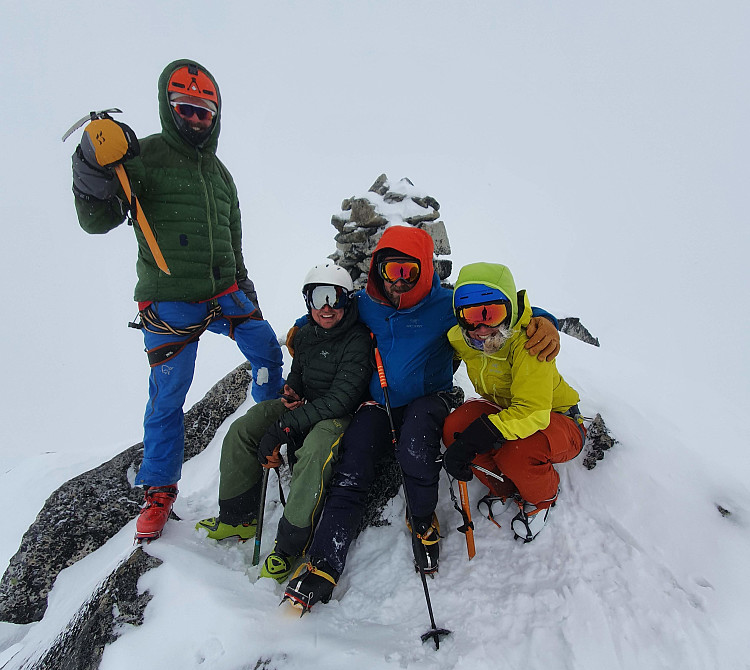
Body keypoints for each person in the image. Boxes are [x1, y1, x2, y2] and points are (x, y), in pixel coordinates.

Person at [282, 226, 561, 613]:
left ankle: (423, 520)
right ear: (378, 270)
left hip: (431, 398)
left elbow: (498, 308)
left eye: (408, 271)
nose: (398, 282)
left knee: (415, 448)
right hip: (380, 401)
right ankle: (323, 563)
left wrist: (546, 321)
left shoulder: (444, 304)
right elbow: (334, 310)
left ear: (425, 270)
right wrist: (301, 323)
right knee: (354, 461)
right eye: (390, 270)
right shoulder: (367, 304)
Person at [71, 60, 283, 541]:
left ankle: (273, 432)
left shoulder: (221, 176)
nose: (194, 120)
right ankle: (159, 492)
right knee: (168, 396)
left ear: (216, 117)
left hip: (225, 292)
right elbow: (97, 220)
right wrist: (89, 165)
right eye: (186, 109)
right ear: (170, 108)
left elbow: (233, 242)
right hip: (169, 302)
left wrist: (245, 288)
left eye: (204, 113)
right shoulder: (141, 157)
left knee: (267, 349)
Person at [196, 262, 373, 582]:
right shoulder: (305, 334)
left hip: (339, 416)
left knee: (316, 448)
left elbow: (341, 400)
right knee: (244, 427)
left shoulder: (357, 339)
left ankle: (291, 545)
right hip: (308, 406)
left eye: (336, 298)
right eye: (319, 297)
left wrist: (285, 427)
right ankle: (238, 517)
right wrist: (292, 393)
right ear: (308, 301)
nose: (327, 308)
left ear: (348, 300)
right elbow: (300, 377)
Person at [442, 262, 585, 542]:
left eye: (492, 313)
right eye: (470, 316)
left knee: (516, 450)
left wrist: (479, 437)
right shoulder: (461, 338)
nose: (481, 327)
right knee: (455, 428)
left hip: (559, 420)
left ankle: (543, 498)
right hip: (507, 409)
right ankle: (504, 487)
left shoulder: (530, 342)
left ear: (509, 310)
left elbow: (533, 412)